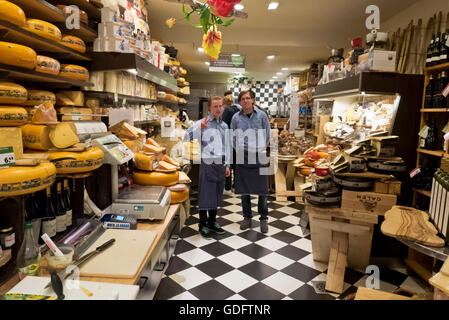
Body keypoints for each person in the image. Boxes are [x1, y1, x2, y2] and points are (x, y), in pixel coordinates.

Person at [184, 96, 231, 239]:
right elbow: (186, 137)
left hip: (220, 163)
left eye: (220, 106)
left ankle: (212, 222)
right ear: (209, 108)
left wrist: (228, 164)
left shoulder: (224, 126)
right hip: (207, 163)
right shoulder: (202, 123)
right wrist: (199, 128)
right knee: (206, 194)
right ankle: (202, 224)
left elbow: (227, 146)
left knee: (216, 193)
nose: (218, 109)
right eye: (215, 106)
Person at [231, 90, 271, 233]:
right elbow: (233, 137)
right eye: (243, 99)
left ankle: (263, 218)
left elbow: (267, 134)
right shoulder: (235, 118)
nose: (245, 101)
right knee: (244, 191)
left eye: (248, 98)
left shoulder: (262, 115)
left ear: (253, 100)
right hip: (243, 156)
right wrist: (238, 150)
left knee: (263, 191)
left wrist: (261, 148)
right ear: (240, 102)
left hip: (259, 155)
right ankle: (247, 218)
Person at [222, 92, 241, 195]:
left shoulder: (226, 111)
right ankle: (236, 186)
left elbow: (224, 126)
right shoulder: (238, 110)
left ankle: (227, 187)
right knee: (237, 164)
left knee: (228, 163)